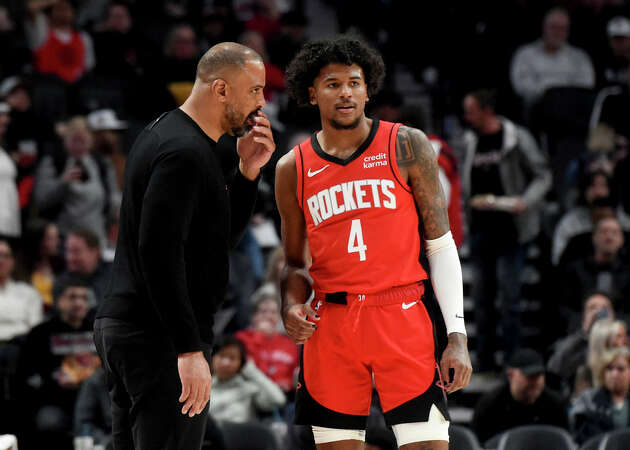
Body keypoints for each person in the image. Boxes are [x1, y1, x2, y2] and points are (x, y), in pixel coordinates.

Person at [276, 36, 471, 449]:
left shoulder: (406, 145)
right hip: (331, 323)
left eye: (354, 82)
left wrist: (457, 335)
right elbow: (294, 263)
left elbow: (440, 244)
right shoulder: (292, 168)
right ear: (312, 94)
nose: (345, 92)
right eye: (332, 83)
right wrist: (289, 305)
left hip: (401, 314)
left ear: (368, 89)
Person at [93, 42, 274, 450]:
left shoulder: (168, 132)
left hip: (134, 329)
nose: (262, 101)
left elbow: (216, 242)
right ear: (221, 90)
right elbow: (158, 253)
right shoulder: (184, 153)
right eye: (255, 90)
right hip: (159, 336)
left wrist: (248, 174)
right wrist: (188, 347)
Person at [461, 89, 551, 372]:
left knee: (509, 297)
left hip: (511, 230)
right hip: (480, 229)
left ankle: (513, 360)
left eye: (471, 110)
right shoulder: (470, 141)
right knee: (482, 298)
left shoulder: (516, 138)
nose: (467, 117)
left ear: (487, 110)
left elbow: (542, 175)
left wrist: (526, 201)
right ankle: (486, 359)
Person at [18, 275, 100, 449]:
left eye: (83, 298)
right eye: (72, 297)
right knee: (49, 423)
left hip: (96, 403)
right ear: (59, 300)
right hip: (54, 401)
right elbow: (27, 377)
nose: (79, 303)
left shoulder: (98, 330)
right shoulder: (40, 334)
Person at [33, 116, 120, 247]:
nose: (78, 146)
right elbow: (41, 200)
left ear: (90, 141)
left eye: (83, 141)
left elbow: (114, 199)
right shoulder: (54, 162)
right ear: (65, 140)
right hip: (62, 239)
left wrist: (116, 218)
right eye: (74, 140)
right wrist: (62, 183)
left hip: (96, 238)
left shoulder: (102, 163)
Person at [471, 348, 569, 444]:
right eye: (530, 376)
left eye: (539, 375)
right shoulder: (490, 405)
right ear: (510, 375)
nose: (535, 382)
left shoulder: (555, 405)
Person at [510, 7, 595, 108]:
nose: (558, 33)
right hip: (536, 109)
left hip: (571, 110)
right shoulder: (525, 54)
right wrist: (553, 94)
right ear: (544, 28)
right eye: (554, 27)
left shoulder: (579, 57)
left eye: (562, 28)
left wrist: (555, 93)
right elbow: (522, 87)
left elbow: (586, 86)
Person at [547, 291, 615, 396]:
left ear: (613, 315)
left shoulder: (624, 343)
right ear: (584, 318)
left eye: (604, 308)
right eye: (592, 308)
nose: (598, 312)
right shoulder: (574, 344)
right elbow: (555, 368)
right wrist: (584, 334)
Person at [209, 335, 286, 423]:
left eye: (232, 358)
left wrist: (253, 372)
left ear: (241, 363)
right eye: (222, 356)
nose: (226, 363)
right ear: (212, 358)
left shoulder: (250, 388)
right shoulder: (202, 387)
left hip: (239, 435)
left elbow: (278, 400)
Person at [236, 289, 298, 393]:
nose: (269, 316)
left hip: (285, 395)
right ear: (253, 316)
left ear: (279, 317)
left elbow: (294, 374)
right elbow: (249, 370)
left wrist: (287, 382)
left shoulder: (290, 344)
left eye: (273, 312)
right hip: (253, 392)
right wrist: (259, 336)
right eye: (263, 312)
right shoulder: (242, 338)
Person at [570, 346, 630, 444]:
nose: (614, 374)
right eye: (609, 368)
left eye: (620, 369)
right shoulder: (587, 399)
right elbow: (579, 436)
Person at [0, 239, 42, 342]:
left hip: (20, 347)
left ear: (13, 262)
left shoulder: (29, 293)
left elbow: (36, 328)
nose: (1, 260)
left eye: (6, 256)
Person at [55, 229, 111, 306]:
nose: (69, 257)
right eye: (68, 251)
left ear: (95, 252)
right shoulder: (62, 283)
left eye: (76, 251)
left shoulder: (115, 273)